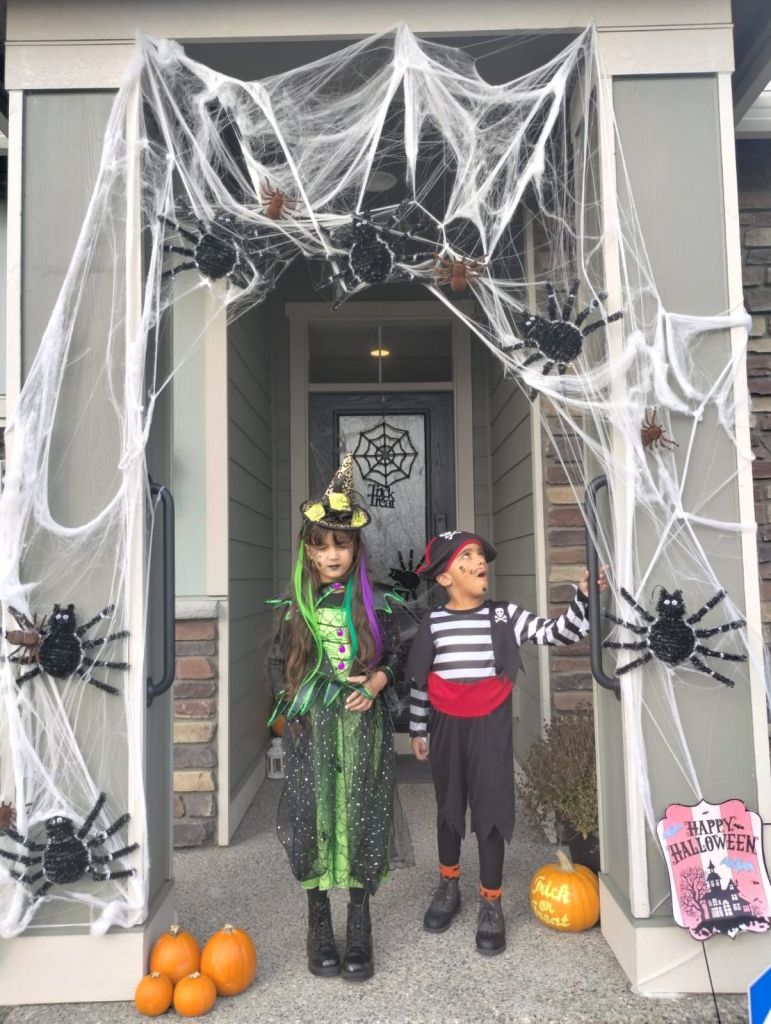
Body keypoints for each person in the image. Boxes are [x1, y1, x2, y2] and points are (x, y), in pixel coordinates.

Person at [407, 529, 607, 955]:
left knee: (492, 809)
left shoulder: (505, 616)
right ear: (444, 577)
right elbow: (421, 681)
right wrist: (418, 729)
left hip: (489, 726)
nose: (479, 561)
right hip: (446, 727)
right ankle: (448, 885)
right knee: (449, 807)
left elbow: (560, 633)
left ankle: (491, 900)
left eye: (480, 554)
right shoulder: (434, 623)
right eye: (466, 556)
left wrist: (584, 598)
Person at [267, 454, 405, 982]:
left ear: (355, 549)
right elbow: (278, 667)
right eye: (322, 545)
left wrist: (376, 682)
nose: (332, 554)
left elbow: (397, 656)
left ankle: (360, 920)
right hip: (313, 732)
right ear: (308, 549)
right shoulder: (294, 608)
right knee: (314, 816)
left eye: (341, 545)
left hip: (362, 731)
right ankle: (319, 921)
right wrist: (294, 705)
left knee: (362, 815)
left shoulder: (377, 605)